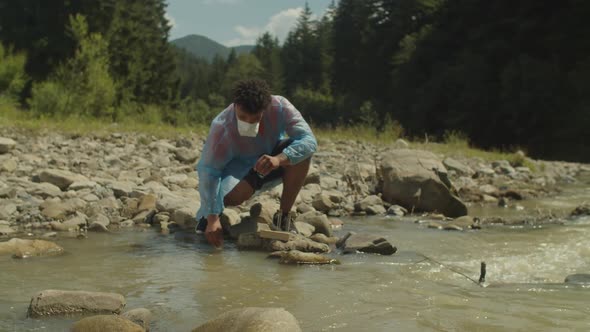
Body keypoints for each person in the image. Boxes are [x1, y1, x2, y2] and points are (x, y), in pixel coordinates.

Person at [195, 79, 317, 248]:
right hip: (236, 172)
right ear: (235, 105)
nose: (249, 122)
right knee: (233, 198)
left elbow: (309, 140)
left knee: (303, 155)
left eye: (255, 118)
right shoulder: (221, 127)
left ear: (265, 109)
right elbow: (209, 171)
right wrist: (212, 218)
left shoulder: (280, 107)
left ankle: (284, 217)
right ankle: (207, 217)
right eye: (243, 117)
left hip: (269, 161)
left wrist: (279, 159)